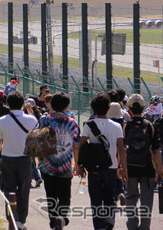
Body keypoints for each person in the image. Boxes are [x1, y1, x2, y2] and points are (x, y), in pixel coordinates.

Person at [74, 93, 128, 230]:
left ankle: (98, 227)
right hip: (112, 167)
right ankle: (109, 222)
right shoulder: (116, 126)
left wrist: (78, 165)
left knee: (96, 201)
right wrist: (123, 169)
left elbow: (79, 145)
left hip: (94, 168)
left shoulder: (89, 125)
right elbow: (121, 149)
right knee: (110, 196)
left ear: (93, 108)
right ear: (108, 108)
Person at [0, 91, 38, 229]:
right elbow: (36, 141)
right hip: (25, 159)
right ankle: (21, 220)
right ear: (22, 104)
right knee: (24, 190)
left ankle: (12, 218)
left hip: (7, 158)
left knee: (9, 190)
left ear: (8, 104)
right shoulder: (32, 120)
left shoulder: (2, 120)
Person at [37, 92, 80, 230]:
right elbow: (76, 146)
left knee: (51, 194)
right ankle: (62, 217)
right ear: (66, 106)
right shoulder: (72, 123)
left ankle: (53, 220)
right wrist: (77, 164)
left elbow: (38, 139)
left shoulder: (45, 120)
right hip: (65, 164)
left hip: (46, 164)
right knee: (64, 194)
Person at [123, 94, 163, 230]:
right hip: (148, 168)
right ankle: (144, 227)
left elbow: (122, 150)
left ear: (129, 108)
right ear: (143, 107)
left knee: (130, 198)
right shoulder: (150, 126)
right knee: (147, 201)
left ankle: (132, 226)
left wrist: (121, 167)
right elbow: (156, 151)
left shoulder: (126, 127)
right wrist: (160, 169)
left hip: (130, 168)